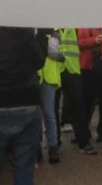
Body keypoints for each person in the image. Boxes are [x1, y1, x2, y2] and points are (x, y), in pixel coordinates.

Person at [0, 25, 48, 185]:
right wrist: (41, 36)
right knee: (24, 170)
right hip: (26, 104)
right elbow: (39, 61)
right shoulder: (22, 31)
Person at [56, 28, 98, 154]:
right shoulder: (50, 26)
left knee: (78, 106)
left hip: (72, 69)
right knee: (52, 109)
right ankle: (55, 143)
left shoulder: (74, 25)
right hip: (55, 70)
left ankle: (84, 141)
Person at [77, 28, 102, 143]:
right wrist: (94, 41)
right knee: (86, 101)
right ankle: (84, 131)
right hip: (86, 67)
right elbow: (78, 43)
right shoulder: (82, 26)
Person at [38, 32, 63, 164]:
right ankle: (36, 148)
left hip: (48, 78)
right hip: (35, 76)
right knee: (35, 115)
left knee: (49, 114)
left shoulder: (54, 34)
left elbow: (56, 54)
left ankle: (53, 147)